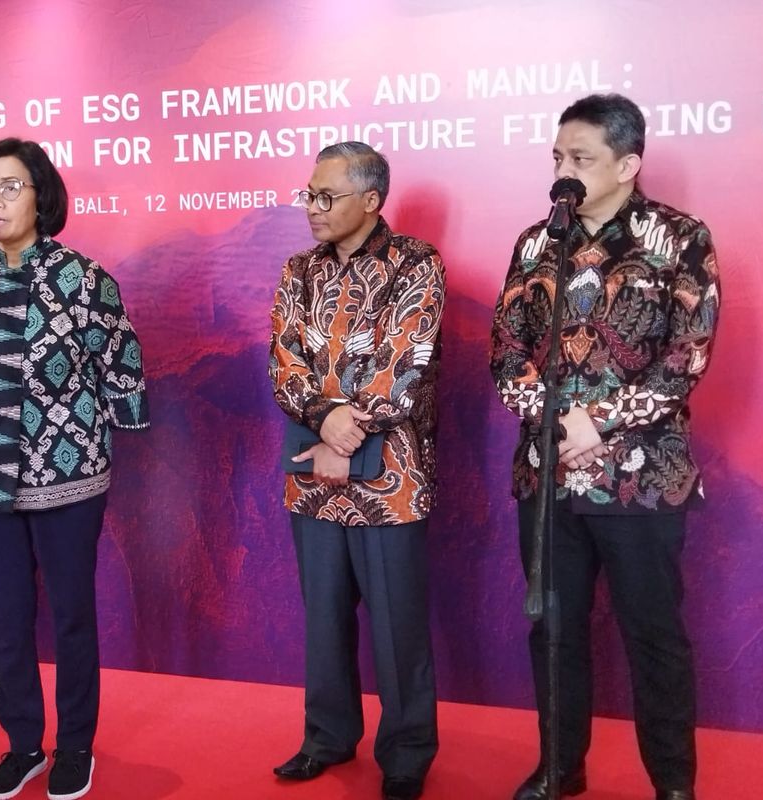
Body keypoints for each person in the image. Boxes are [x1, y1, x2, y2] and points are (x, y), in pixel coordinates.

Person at [490, 93, 719, 800]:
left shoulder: (680, 238)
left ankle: (673, 784)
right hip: (547, 474)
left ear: (628, 163)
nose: (563, 170)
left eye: (581, 158)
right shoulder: (535, 243)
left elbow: (687, 355)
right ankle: (561, 766)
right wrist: (558, 422)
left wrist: (602, 424)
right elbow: (505, 351)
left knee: (654, 637)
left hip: (643, 479)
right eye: (558, 156)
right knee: (553, 633)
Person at [0, 138, 149, 800]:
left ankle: (75, 745)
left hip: (68, 476)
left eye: (10, 187)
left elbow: (122, 364)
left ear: (41, 196)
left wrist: (109, 416)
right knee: (5, 614)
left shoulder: (85, 278)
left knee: (74, 614)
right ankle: (23, 743)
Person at [268, 141, 445, 800]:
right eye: (309, 194)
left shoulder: (416, 265)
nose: (312, 207)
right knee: (324, 619)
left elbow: (408, 358)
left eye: (326, 196)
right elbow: (284, 362)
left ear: (371, 201)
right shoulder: (297, 271)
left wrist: (349, 434)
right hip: (311, 471)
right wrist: (325, 422)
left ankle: (406, 753)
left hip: (390, 478)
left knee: (398, 626)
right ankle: (327, 736)